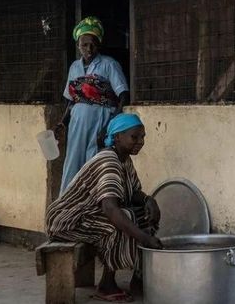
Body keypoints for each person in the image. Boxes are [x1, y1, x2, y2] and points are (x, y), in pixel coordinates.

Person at [46, 113, 161, 303]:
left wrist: (150, 201)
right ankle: (106, 285)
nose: (140, 142)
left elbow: (133, 192)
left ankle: (139, 277)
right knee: (121, 220)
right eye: (135, 137)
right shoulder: (108, 162)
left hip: (87, 215)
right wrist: (145, 238)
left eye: (142, 137)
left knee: (144, 215)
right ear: (117, 137)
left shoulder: (124, 159)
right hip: (66, 219)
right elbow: (110, 209)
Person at [55, 16, 130, 192]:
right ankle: (68, 205)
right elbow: (72, 100)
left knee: (95, 163)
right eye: (84, 44)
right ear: (78, 45)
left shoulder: (109, 64)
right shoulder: (74, 67)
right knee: (74, 161)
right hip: (77, 125)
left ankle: (94, 209)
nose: (89, 48)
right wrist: (62, 123)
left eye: (93, 44)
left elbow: (124, 96)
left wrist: (109, 127)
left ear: (99, 44)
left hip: (100, 122)